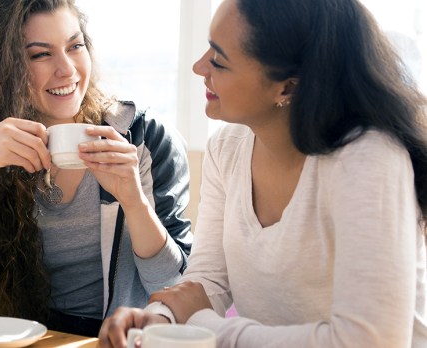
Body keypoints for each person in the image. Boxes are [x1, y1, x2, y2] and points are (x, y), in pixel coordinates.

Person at [99, 0, 427, 346]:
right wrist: (158, 320)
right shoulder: (227, 148)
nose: (199, 67)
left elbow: (369, 341)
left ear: (287, 87)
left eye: (219, 61)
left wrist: (209, 325)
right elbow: (209, 280)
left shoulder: (368, 160)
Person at [0, 0, 192, 338]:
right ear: (2, 68)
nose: (67, 69)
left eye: (75, 46)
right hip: (19, 341)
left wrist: (134, 202)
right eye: (41, 54)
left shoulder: (144, 140)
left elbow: (174, 291)